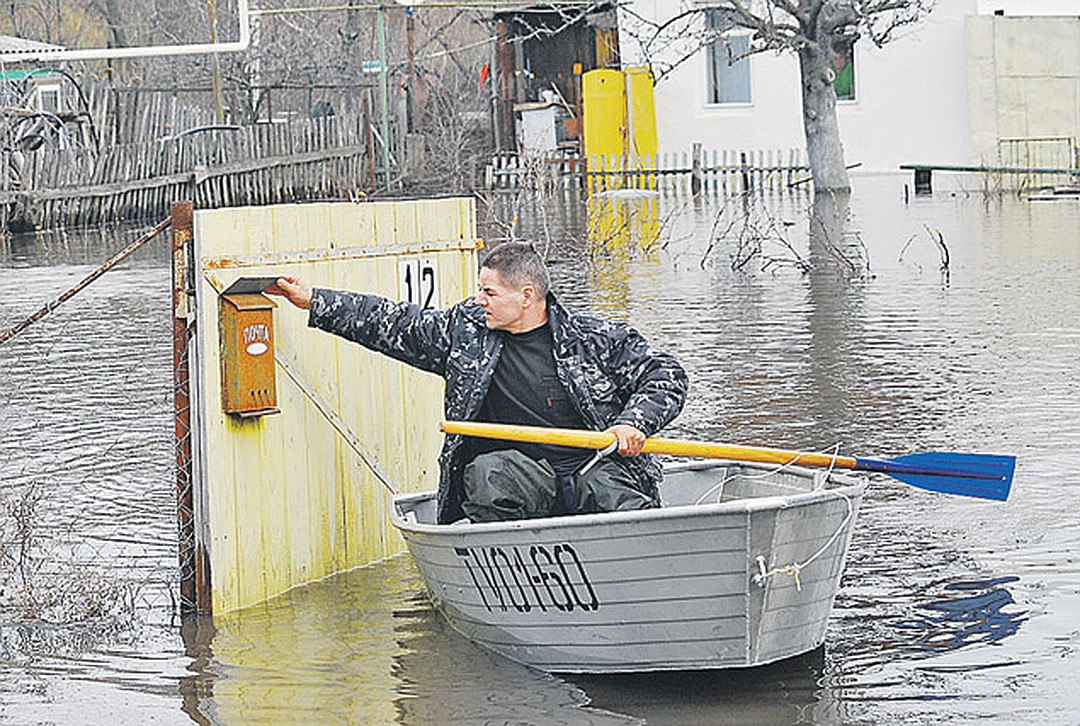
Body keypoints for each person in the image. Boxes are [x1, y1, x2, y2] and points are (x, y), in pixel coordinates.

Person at [268, 242, 688, 524]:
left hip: (592, 468)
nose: (479, 300)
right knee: (488, 475)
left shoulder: (594, 338)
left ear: (526, 296)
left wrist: (634, 423)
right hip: (518, 478)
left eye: (490, 293)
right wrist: (315, 300)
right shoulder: (464, 333)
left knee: (619, 497)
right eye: (479, 291)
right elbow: (392, 321)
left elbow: (667, 375)